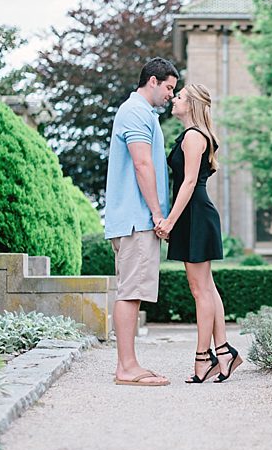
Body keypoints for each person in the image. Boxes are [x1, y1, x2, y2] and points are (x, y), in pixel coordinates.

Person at [155, 84, 243, 384]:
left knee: (200, 290)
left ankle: (203, 358)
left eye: (179, 97)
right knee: (207, 287)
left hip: (194, 214)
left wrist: (169, 221)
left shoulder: (194, 136)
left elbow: (189, 182)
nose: (173, 99)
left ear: (191, 104)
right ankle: (224, 351)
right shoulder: (193, 135)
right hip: (194, 214)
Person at [104, 57, 178, 386]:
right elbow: (142, 165)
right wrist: (158, 214)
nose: (170, 96)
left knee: (132, 292)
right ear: (152, 81)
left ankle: (130, 363)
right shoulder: (134, 112)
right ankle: (126, 368)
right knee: (130, 292)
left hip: (136, 218)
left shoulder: (141, 113)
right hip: (136, 220)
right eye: (168, 87)